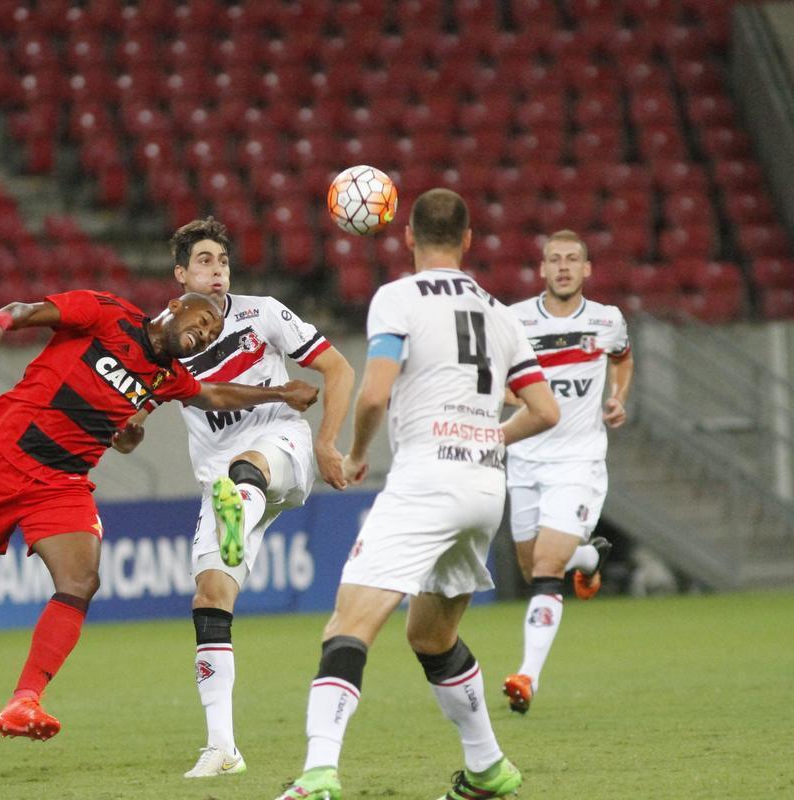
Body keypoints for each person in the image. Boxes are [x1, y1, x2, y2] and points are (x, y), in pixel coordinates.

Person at [0, 289, 319, 768]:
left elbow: (214, 394)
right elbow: (29, 310)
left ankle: (25, 698)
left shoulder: (165, 377)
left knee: (81, 581)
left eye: (209, 334)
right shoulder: (107, 314)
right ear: (176, 305)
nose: (204, 332)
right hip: (2, 461)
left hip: (63, 483)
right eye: (202, 319)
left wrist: (281, 393)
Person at [276, 189, 560, 800]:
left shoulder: (397, 298)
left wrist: (356, 454)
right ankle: (489, 770)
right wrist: (489, 436)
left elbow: (375, 394)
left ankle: (318, 775)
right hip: (486, 485)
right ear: (467, 240)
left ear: (406, 237)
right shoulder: (501, 313)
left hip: (427, 477)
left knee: (348, 625)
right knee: (430, 635)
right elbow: (545, 410)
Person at [113, 218, 355, 779]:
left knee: (247, 472)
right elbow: (134, 418)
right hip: (218, 478)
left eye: (222, 262)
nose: (216, 272)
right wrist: (127, 431)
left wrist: (325, 441)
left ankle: (236, 506)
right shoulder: (164, 340)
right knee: (210, 597)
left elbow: (336, 368)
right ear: (180, 275)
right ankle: (223, 748)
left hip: (280, 448)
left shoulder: (263, 312)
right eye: (203, 261)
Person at [501, 229, 633, 715]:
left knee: (544, 570)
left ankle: (526, 676)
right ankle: (588, 561)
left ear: (586, 269)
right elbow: (494, 375)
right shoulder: (513, 320)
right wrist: (507, 393)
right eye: (554, 259)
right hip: (525, 458)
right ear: (541, 269)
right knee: (530, 562)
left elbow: (622, 358)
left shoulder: (606, 319)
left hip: (578, 462)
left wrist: (617, 396)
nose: (562, 267)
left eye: (572, 259)